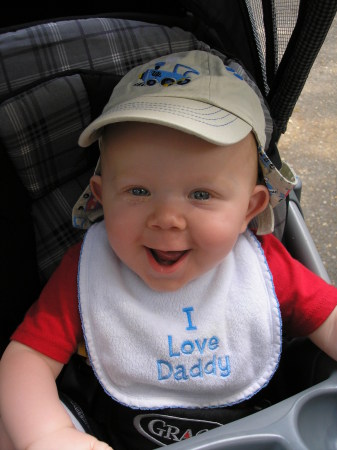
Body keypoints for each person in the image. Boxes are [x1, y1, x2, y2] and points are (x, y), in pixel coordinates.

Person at [0, 50, 336, 450]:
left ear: (250, 208)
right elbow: (26, 358)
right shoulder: (87, 272)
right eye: (138, 191)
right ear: (101, 198)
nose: (167, 219)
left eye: (200, 194)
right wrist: (49, 433)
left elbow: (329, 318)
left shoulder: (261, 270)